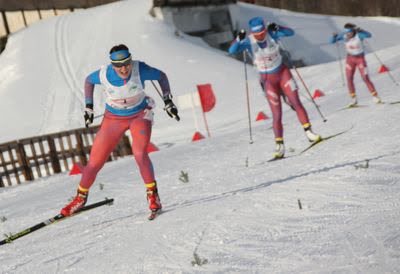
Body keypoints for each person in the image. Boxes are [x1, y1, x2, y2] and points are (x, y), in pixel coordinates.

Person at [60, 44, 178, 217]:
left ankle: (153, 196)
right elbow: (88, 81)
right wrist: (89, 107)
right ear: (112, 65)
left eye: (127, 63)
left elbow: (162, 76)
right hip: (113, 119)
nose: (124, 68)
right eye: (119, 65)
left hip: (139, 115)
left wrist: (168, 100)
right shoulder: (104, 74)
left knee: (139, 153)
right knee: (94, 162)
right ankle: (80, 198)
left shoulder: (140, 69)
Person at [228, 17, 321, 159]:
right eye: (257, 34)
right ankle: (280, 146)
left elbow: (290, 33)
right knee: (277, 113)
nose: (260, 37)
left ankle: (309, 132)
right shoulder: (249, 41)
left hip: (282, 73)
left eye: (262, 33)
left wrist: (279, 28)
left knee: (296, 102)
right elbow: (232, 50)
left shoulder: (272, 34)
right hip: (267, 80)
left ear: (265, 30)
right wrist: (238, 40)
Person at [331, 23, 381, 106]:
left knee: (365, 78)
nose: (348, 35)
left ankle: (375, 96)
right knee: (349, 78)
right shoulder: (344, 36)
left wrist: (362, 31)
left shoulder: (359, 36)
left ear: (353, 31)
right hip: (350, 59)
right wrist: (334, 36)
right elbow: (332, 41)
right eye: (346, 33)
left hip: (360, 59)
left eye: (349, 33)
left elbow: (369, 35)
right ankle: (353, 99)